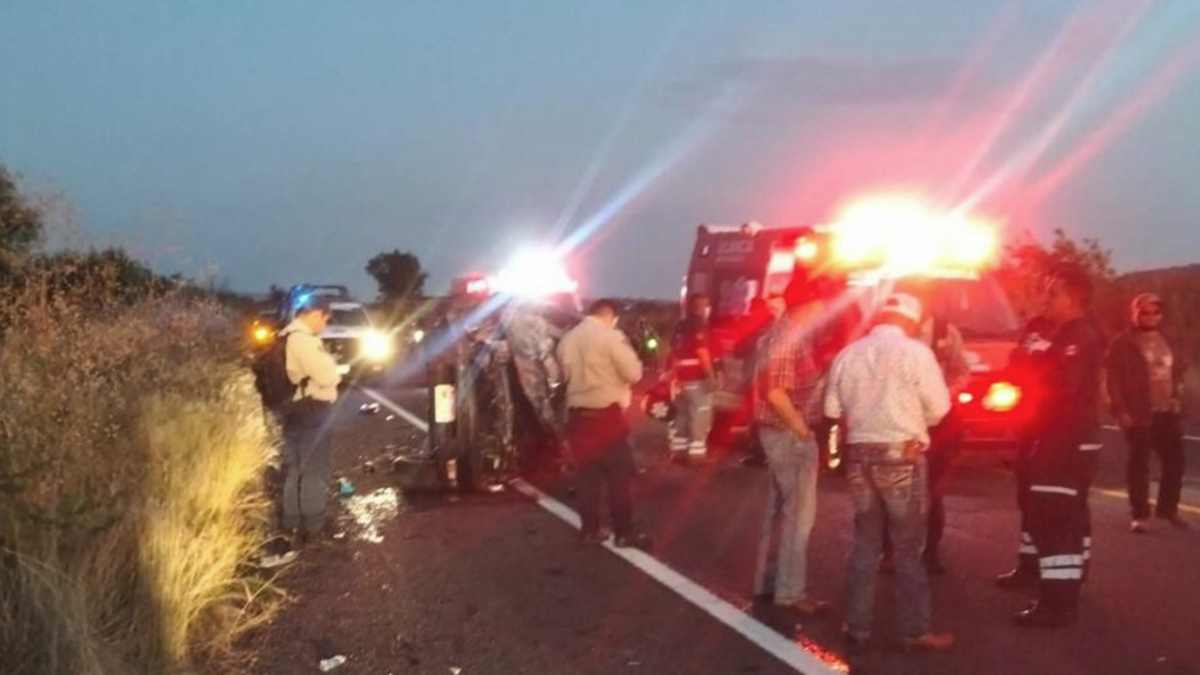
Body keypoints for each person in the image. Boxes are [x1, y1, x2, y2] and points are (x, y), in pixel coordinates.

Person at [825, 293, 955, 652]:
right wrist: (916, 424)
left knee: (865, 543)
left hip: (859, 455)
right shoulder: (917, 354)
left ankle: (856, 627)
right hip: (902, 454)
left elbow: (831, 408)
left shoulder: (849, 354)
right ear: (911, 322)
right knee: (907, 547)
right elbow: (940, 408)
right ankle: (915, 631)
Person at [1014, 263, 1104, 628]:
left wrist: (1035, 362)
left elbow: (1062, 388)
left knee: (1054, 519)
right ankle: (1061, 592)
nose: (1044, 300)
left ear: (1068, 296)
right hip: (1060, 437)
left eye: (1051, 293)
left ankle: (1057, 604)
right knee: (1062, 515)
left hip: (1064, 440)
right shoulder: (1068, 334)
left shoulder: (1077, 336)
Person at [751, 281, 832, 618]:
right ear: (806, 306)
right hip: (787, 434)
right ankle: (790, 592)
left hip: (775, 433)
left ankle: (768, 583)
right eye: (821, 306)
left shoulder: (774, 333)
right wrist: (801, 429)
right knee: (799, 516)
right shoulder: (787, 337)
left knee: (780, 513)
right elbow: (775, 392)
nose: (825, 313)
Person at [881, 282, 971, 575]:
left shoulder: (947, 333)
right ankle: (891, 552)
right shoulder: (891, 334)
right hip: (900, 420)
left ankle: (930, 553)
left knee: (931, 490)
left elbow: (962, 372)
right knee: (893, 488)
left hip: (938, 424)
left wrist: (947, 392)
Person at [557, 299, 650, 549]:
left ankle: (589, 530)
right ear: (611, 316)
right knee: (619, 478)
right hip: (607, 418)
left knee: (587, 478)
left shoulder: (568, 339)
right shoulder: (612, 337)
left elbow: (560, 376)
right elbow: (634, 373)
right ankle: (623, 532)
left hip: (578, 418)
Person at [1106, 292, 1190, 532]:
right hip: (1139, 413)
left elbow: (1179, 372)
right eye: (1145, 312)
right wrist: (1120, 410)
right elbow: (1113, 381)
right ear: (1135, 313)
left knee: (1176, 462)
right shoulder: (1122, 343)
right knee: (1139, 465)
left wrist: (1177, 397)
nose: (1151, 316)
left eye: (1156, 312)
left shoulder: (1169, 339)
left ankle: (1168, 509)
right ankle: (1139, 515)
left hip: (1167, 412)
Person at [995, 315, 1057, 588]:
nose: (1033, 341)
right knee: (1028, 501)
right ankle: (1029, 565)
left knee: (1048, 505)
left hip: (1053, 434)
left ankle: (1051, 571)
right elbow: (1010, 379)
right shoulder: (1022, 352)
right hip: (1027, 430)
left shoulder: (1063, 351)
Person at [278, 295, 342, 546]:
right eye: (324, 319)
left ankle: (291, 521)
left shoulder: (283, 336)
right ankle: (314, 525)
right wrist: (333, 367)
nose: (324, 325)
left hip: (292, 409)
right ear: (315, 314)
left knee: (295, 468)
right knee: (314, 468)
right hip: (311, 410)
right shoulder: (303, 340)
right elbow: (328, 376)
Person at [668, 293, 717, 462]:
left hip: (681, 378)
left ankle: (678, 451)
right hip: (696, 378)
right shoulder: (699, 324)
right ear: (701, 307)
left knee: (681, 413)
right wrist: (710, 377)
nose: (707, 309)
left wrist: (675, 376)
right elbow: (702, 352)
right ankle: (697, 454)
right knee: (700, 412)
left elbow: (673, 353)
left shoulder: (680, 325)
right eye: (706, 305)